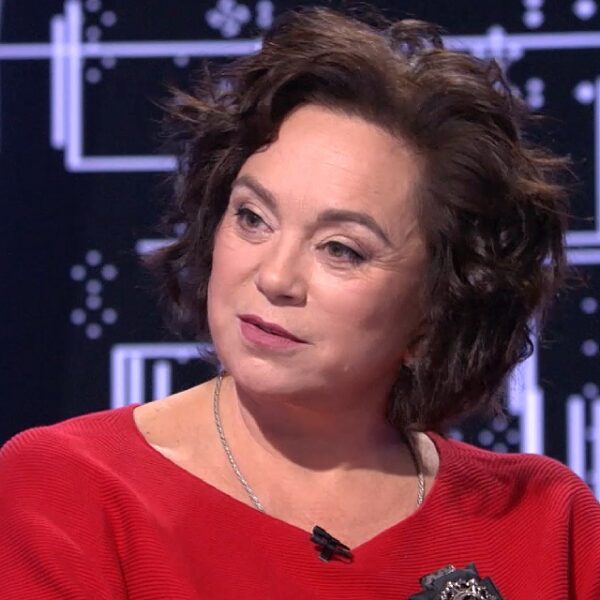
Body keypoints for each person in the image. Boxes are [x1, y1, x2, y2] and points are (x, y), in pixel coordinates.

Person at [1, 6, 599, 599]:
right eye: (252, 217)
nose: (275, 277)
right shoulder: (69, 488)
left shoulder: (545, 522)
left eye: (341, 249)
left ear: (439, 307)